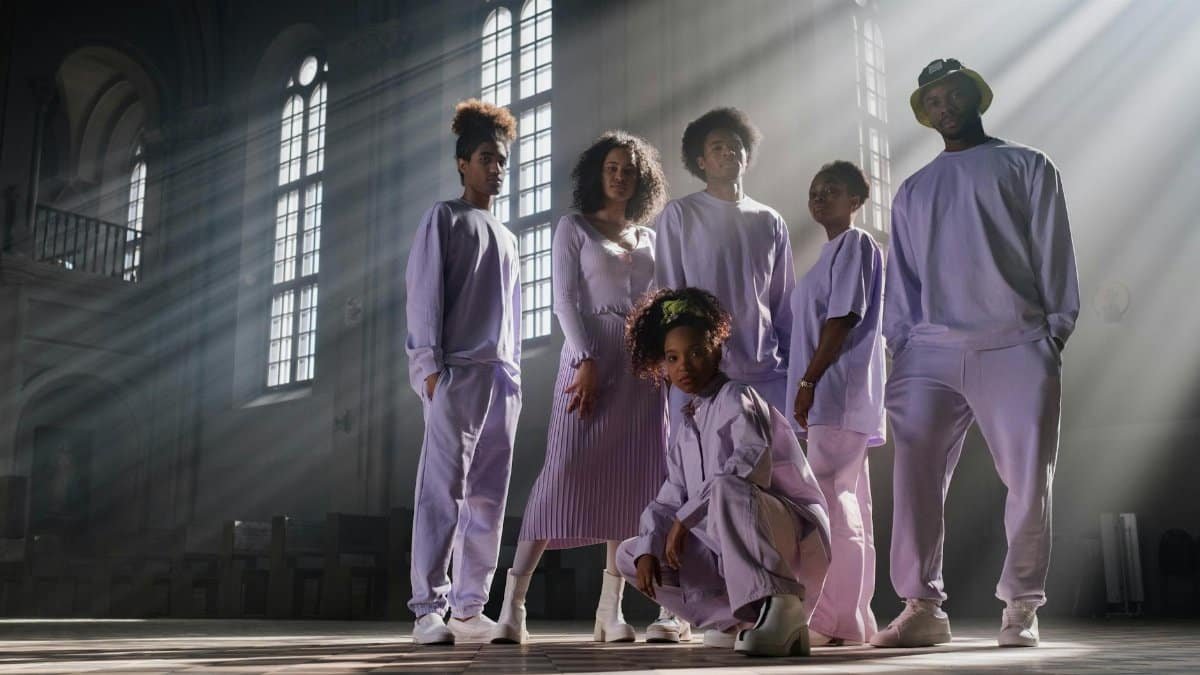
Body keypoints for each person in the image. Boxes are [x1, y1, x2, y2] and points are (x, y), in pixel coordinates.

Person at [872, 58, 1079, 649]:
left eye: (953, 94)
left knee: (1027, 479)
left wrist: (1051, 332)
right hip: (928, 352)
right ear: (925, 113)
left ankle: (1020, 605)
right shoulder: (913, 189)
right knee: (914, 474)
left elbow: (1053, 253)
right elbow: (902, 280)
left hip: (1016, 341)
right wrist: (902, 346)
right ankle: (921, 606)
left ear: (974, 96)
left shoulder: (1028, 166)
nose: (945, 106)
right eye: (932, 101)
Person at [490, 132, 669, 644]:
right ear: (597, 172)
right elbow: (565, 300)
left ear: (640, 179)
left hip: (641, 369)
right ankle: (512, 608)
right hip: (590, 355)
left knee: (628, 487)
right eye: (612, 167)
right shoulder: (573, 227)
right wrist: (586, 358)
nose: (619, 176)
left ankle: (609, 612)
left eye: (629, 170)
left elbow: (654, 305)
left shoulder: (650, 239)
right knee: (561, 476)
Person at [616, 287, 832, 657]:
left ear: (718, 349)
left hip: (789, 531)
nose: (684, 365)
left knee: (730, 487)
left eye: (697, 352)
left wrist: (686, 520)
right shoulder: (687, 426)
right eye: (673, 357)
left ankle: (781, 606)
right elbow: (670, 498)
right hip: (730, 538)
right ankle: (733, 620)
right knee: (630, 553)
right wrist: (651, 544)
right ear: (662, 365)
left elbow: (751, 464)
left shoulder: (737, 396)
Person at [650, 107, 795, 642]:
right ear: (698, 158)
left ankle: (756, 603)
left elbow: (781, 305)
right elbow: (669, 296)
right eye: (715, 146)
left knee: (750, 491)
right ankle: (694, 606)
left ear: (746, 154)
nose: (727, 153)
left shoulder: (769, 220)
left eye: (734, 145)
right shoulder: (681, 216)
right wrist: (678, 367)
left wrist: (793, 374)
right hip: (698, 376)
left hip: (761, 374)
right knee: (692, 484)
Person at [404, 99, 522, 645]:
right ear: (461, 163)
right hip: (455, 373)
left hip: (501, 379)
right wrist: (428, 368)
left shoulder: (510, 237)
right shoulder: (444, 218)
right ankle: (428, 607)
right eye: (485, 158)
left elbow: (513, 317)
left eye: (501, 160)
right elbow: (425, 295)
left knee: (489, 499)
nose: (495, 168)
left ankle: (471, 608)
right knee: (442, 492)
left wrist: (514, 375)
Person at [787, 161, 886, 646]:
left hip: (836, 390)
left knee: (831, 501)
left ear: (855, 200)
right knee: (853, 506)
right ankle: (856, 619)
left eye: (833, 190)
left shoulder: (856, 244)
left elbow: (843, 317)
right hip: (835, 395)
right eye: (815, 190)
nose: (821, 197)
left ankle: (832, 618)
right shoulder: (827, 255)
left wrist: (807, 382)